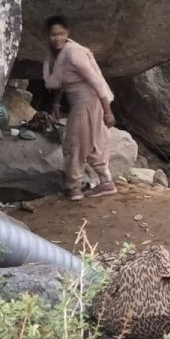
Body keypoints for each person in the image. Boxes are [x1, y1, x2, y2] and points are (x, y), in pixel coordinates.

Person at [42, 15, 117, 201]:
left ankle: (74, 187)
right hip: (81, 101)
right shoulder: (57, 54)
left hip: (88, 102)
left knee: (74, 143)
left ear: (67, 33)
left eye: (61, 34)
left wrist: (108, 112)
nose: (58, 38)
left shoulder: (74, 53)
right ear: (48, 35)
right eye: (53, 34)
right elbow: (63, 80)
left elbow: (97, 82)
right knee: (92, 142)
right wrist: (56, 103)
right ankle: (106, 182)